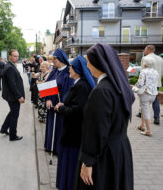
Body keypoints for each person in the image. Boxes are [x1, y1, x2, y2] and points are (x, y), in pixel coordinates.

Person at [75, 43, 134, 190]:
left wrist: (88, 162)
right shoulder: (119, 85)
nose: (87, 65)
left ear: (97, 63)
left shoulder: (101, 91)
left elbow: (96, 130)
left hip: (104, 155)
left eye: (89, 61)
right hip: (119, 148)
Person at [54, 55, 95, 190]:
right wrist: (64, 104)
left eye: (71, 67)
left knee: (70, 164)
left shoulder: (82, 86)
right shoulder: (78, 84)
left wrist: (61, 108)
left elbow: (77, 111)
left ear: (77, 69)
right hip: (71, 133)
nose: (69, 69)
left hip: (74, 135)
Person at [44, 49, 74, 154]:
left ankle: (57, 148)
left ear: (60, 59)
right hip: (51, 104)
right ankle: (49, 146)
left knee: (59, 127)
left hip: (60, 105)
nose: (53, 62)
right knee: (51, 125)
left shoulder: (68, 72)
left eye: (54, 59)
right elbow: (47, 86)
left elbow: (69, 90)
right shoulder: (54, 72)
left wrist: (62, 103)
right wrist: (47, 99)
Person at [0, 49, 25, 141]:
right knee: (15, 115)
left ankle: (4, 128)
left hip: (11, 95)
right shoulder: (10, 67)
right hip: (13, 96)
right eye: (14, 56)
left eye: (17, 56)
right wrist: (19, 96)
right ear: (10, 56)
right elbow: (12, 84)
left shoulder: (10, 65)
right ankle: (13, 135)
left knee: (12, 112)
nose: (16, 58)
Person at [139, 45, 163, 125]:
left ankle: (142, 114)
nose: (144, 51)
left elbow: (142, 72)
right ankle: (157, 117)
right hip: (157, 82)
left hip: (147, 83)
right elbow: (162, 71)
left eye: (145, 49)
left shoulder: (145, 58)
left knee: (144, 99)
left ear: (148, 49)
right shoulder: (160, 59)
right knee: (155, 99)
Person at [136, 58, 159, 136]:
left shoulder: (143, 71)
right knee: (144, 108)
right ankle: (142, 125)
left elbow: (140, 83)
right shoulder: (156, 72)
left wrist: (136, 87)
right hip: (154, 94)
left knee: (146, 111)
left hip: (146, 93)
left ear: (145, 64)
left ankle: (148, 131)